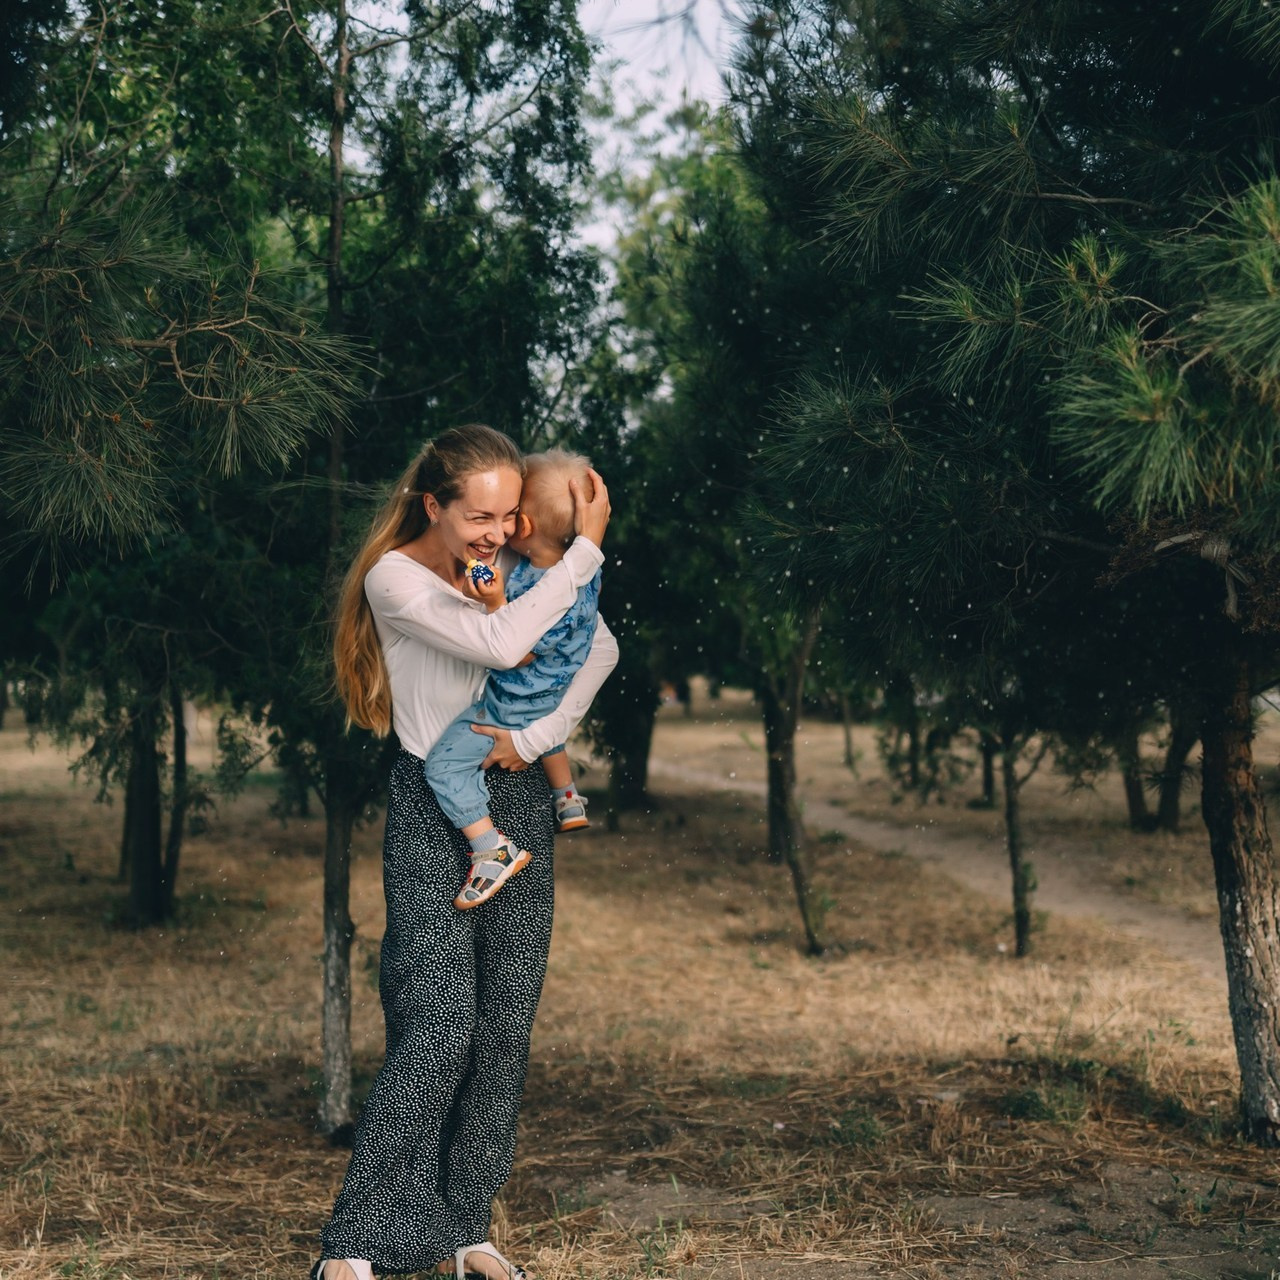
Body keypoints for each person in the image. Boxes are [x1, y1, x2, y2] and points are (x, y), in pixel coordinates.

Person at [316, 424, 615, 1280]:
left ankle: (464, 1227)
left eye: (510, 516)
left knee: (502, 1031)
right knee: (438, 1024)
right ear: (432, 504)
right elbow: (503, 646)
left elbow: (594, 647)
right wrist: (584, 552)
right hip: (433, 804)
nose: (495, 532)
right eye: (477, 515)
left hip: (515, 795)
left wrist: (537, 738)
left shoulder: (512, 572)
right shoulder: (397, 578)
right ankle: (354, 1244)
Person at [423, 448, 603, 911]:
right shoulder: (587, 571)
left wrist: (495, 605)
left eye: (510, 515)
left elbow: (512, 653)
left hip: (512, 702)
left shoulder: (530, 585)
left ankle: (490, 848)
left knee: (442, 766)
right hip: (554, 690)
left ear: (521, 527)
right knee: (550, 734)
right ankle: (567, 798)